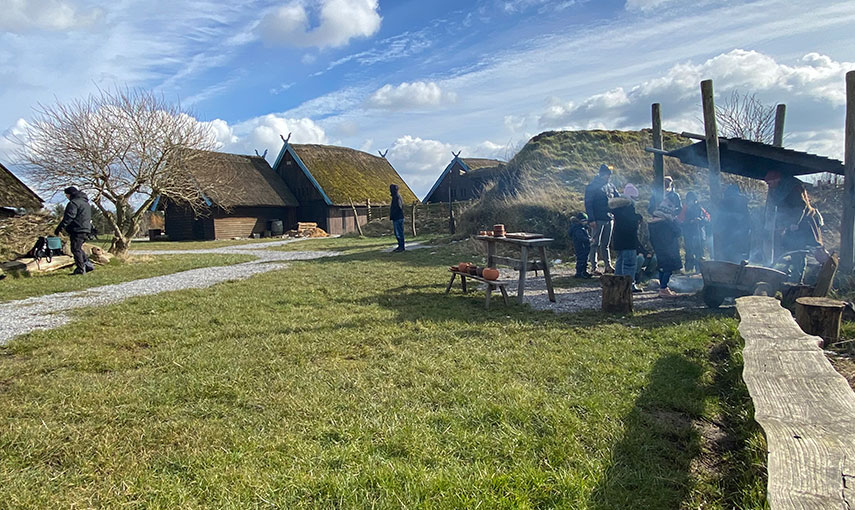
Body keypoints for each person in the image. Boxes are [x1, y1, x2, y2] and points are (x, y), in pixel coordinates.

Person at [765, 171, 824, 283]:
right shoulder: (778, 190)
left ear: (777, 179)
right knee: (787, 249)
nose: (769, 185)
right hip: (791, 225)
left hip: (801, 225)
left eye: (770, 182)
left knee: (798, 252)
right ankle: (784, 274)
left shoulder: (792, 189)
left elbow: (800, 207)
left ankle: (797, 280)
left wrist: (794, 223)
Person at [584, 164, 619, 274]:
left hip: (609, 218)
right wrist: (591, 219)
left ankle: (608, 265)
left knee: (606, 244)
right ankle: (594, 267)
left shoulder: (611, 186)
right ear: (602, 174)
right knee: (595, 243)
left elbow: (617, 198)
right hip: (598, 218)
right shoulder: (592, 186)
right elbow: (588, 204)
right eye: (607, 175)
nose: (608, 177)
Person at [648, 193, 682, 298]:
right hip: (668, 247)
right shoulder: (667, 221)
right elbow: (678, 232)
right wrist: (675, 221)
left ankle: (663, 287)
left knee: (662, 267)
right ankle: (663, 288)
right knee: (668, 268)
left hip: (659, 247)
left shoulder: (655, 219)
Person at [54, 186, 94, 275]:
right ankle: (87, 264)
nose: (66, 197)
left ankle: (80, 269)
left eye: (66, 195)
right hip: (86, 228)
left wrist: (59, 228)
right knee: (78, 248)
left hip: (77, 229)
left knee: (75, 249)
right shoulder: (85, 203)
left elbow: (69, 217)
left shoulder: (74, 203)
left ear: (70, 194)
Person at [609, 184, 642, 289]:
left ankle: (617, 284)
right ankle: (629, 286)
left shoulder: (618, 207)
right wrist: (638, 218)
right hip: (629, 241)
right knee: (629, 264)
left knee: (620, 262)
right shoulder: (628, 208)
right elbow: (630, 224)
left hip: (619, 240)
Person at [715, 184, 751, 263]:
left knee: (733, 258)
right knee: (732, 259)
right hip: (731, 237)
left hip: (735, 237)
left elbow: (747, 221)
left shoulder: (741, 204)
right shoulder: (726, 204)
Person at [679, 191, 709, 272]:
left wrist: (701, 220)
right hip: (689, 234)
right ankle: (689, 269)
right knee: (689, 252)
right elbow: (680, 221)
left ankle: (700, 270)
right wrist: (690, 222)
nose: (692, 201)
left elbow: (708, 218)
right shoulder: (685, 208)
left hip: (700, 234)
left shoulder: (700, 207)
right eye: (690, 199)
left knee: (700, 253)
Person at [569, 212, 592, 279]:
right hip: (581, 246)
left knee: (585, 259)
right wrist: (588, 240)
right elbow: (581, 238)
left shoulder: (582, 228)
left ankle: (584, 271)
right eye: (584, 221)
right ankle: (579, 272)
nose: (585, 222)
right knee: (581, 259)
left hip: (584, 246)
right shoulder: (578, 229)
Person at [389, 184, 405, 252]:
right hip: (398, 217)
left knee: (398, 232)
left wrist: (393, 214)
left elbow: (399, 207)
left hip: (397, 217)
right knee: (398, 232)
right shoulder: (397, 197)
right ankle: (400, 246)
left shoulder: (397, 197)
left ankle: (401, 246)